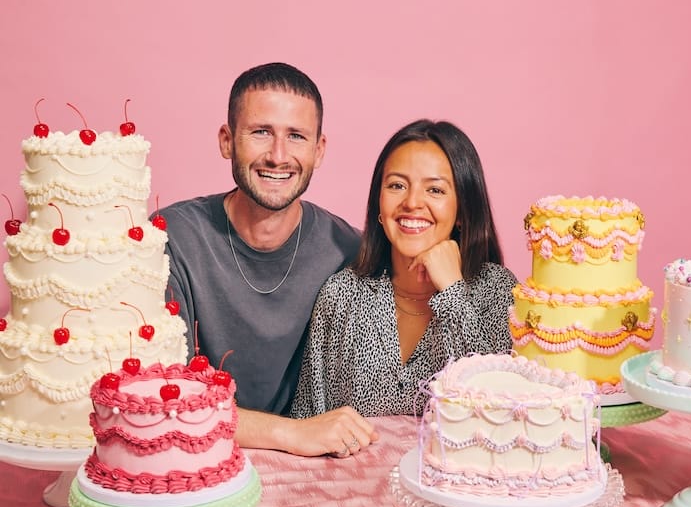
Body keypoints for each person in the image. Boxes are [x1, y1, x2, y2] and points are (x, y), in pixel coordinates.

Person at [161, 62, 378, 457]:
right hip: (189, 460)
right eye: (261, 132)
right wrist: (290, 433)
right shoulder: (170, 238)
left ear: (319, 149)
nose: (278, 156)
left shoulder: (349, 250)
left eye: (296, 136)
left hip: (307, 477)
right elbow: (155, 393)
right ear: (227, 141)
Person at [290, 119, 518, 420]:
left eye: (435, 190)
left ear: (462, 211)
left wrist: (452, 292)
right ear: (379, 207)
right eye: (397, 185)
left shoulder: (496, 290)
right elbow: (308, 418)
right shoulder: (342, 294)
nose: (412, 203)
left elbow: (500, 412)